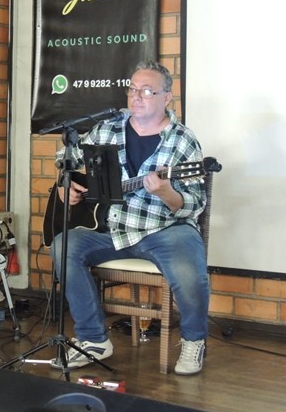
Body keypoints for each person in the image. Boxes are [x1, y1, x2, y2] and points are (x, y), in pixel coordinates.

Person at [49, 60, 209, 375]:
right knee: (63, 245)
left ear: (167, 98)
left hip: (166, 230)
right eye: (133, 89)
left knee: (189, 270)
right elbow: (67, 157)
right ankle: (93, 340)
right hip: (111, 230)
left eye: (147, 91)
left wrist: (167, 192)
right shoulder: (107, 129)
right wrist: (65, 184)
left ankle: (194, 341)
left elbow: (195, 203)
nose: (137, 96)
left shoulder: (182, 140)